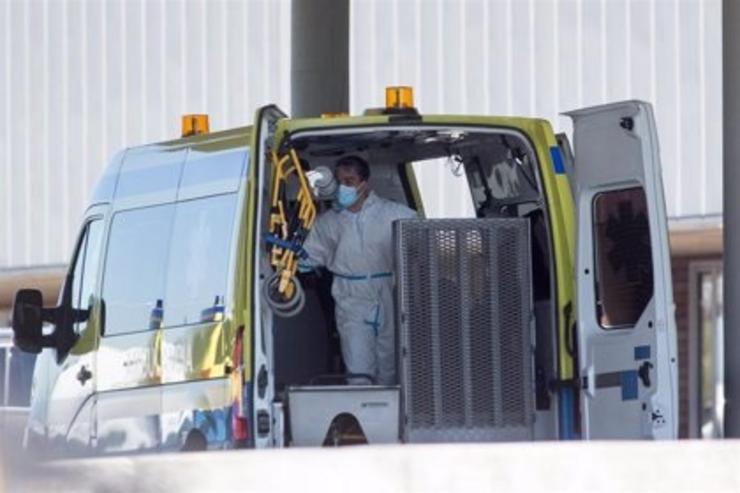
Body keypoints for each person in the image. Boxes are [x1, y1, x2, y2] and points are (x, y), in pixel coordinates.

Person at [301, 155, 416, 385]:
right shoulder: (329, 222)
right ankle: (363, 418)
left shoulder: (393, 213)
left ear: (364, 184)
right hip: (350, 297)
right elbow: (307, 257)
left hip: (387, 292)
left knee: (389, 365)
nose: (343, 186)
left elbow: (423, 240)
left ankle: (389, 418)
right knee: (358, 365)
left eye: (350, 180)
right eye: (340, 180)